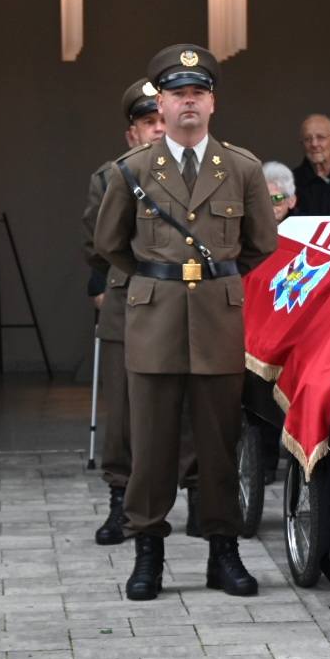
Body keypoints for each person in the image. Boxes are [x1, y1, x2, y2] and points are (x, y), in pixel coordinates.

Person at [93, 44, 277, 601]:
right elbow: (110, 245)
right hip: (153, 322)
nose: (187, 103)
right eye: (177, 94)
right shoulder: (131, 171)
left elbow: (260, 243)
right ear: (162, 104)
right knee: (150, 446)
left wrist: (213, 278)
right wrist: (157, 279)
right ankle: (148, 551)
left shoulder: (241, 168)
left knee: (219, 443)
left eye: (197, 93)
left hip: (218, 323)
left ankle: (224, 553)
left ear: (212, 103)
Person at [81, 79, 202, 544]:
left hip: (189, 302)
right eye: (146, 123)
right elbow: (98, 244)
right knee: (126, 411)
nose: (156, 129)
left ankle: (196, 498)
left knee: (192, 403)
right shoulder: (112, 176)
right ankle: (122, 503)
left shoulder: (202, 171)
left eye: (159, 120)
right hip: (128, 300)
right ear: (131, 132)